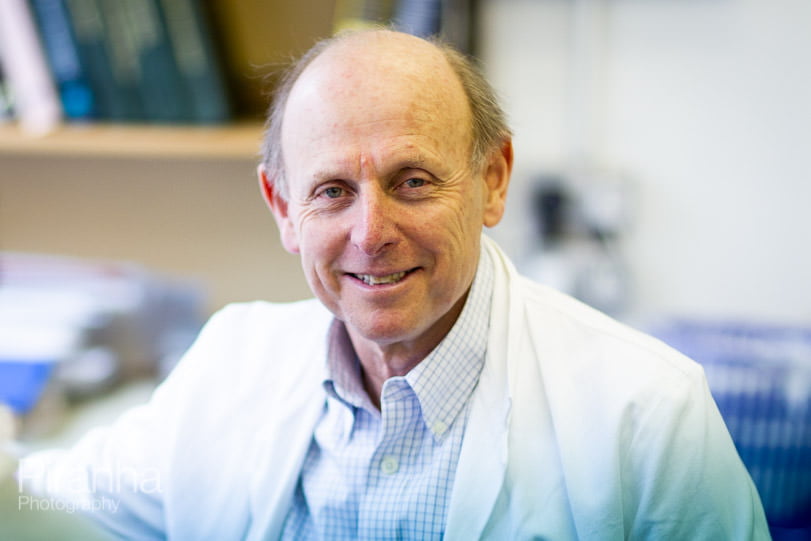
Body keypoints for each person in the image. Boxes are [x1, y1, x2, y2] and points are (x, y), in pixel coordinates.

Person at [16, 29, 769, 540]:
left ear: (493, 179)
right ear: (282, 208)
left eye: (412, 181)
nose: (370, 232)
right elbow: (43, 499)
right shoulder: (230, 362)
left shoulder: (648, 412)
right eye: (331, 191)